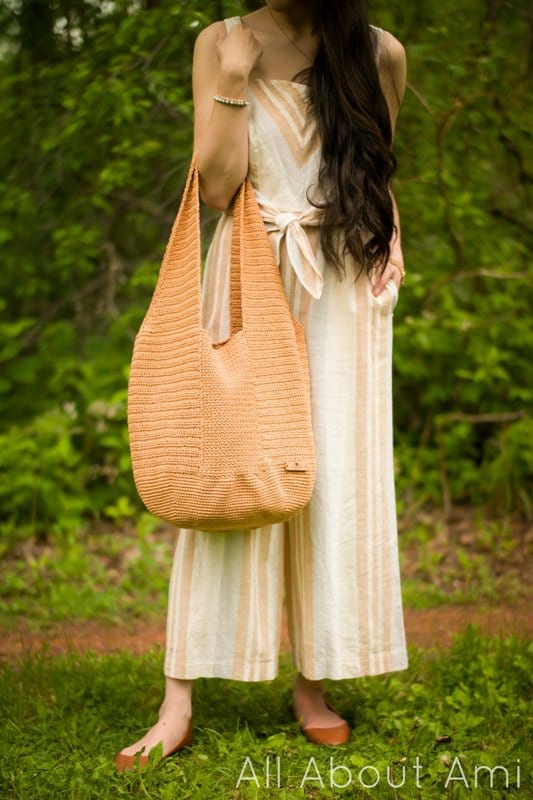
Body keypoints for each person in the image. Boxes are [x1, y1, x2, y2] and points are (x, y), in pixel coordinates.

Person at [115, 0, 408, 771]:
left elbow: (376, 169)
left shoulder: (378, 52)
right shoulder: (222, 42)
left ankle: (313, 684)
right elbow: (215, 187)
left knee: (331, 483)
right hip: (250, 272)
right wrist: (236, 77)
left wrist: (393, 245)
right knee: (230, 472)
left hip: (345, 283)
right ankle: (176, 700)